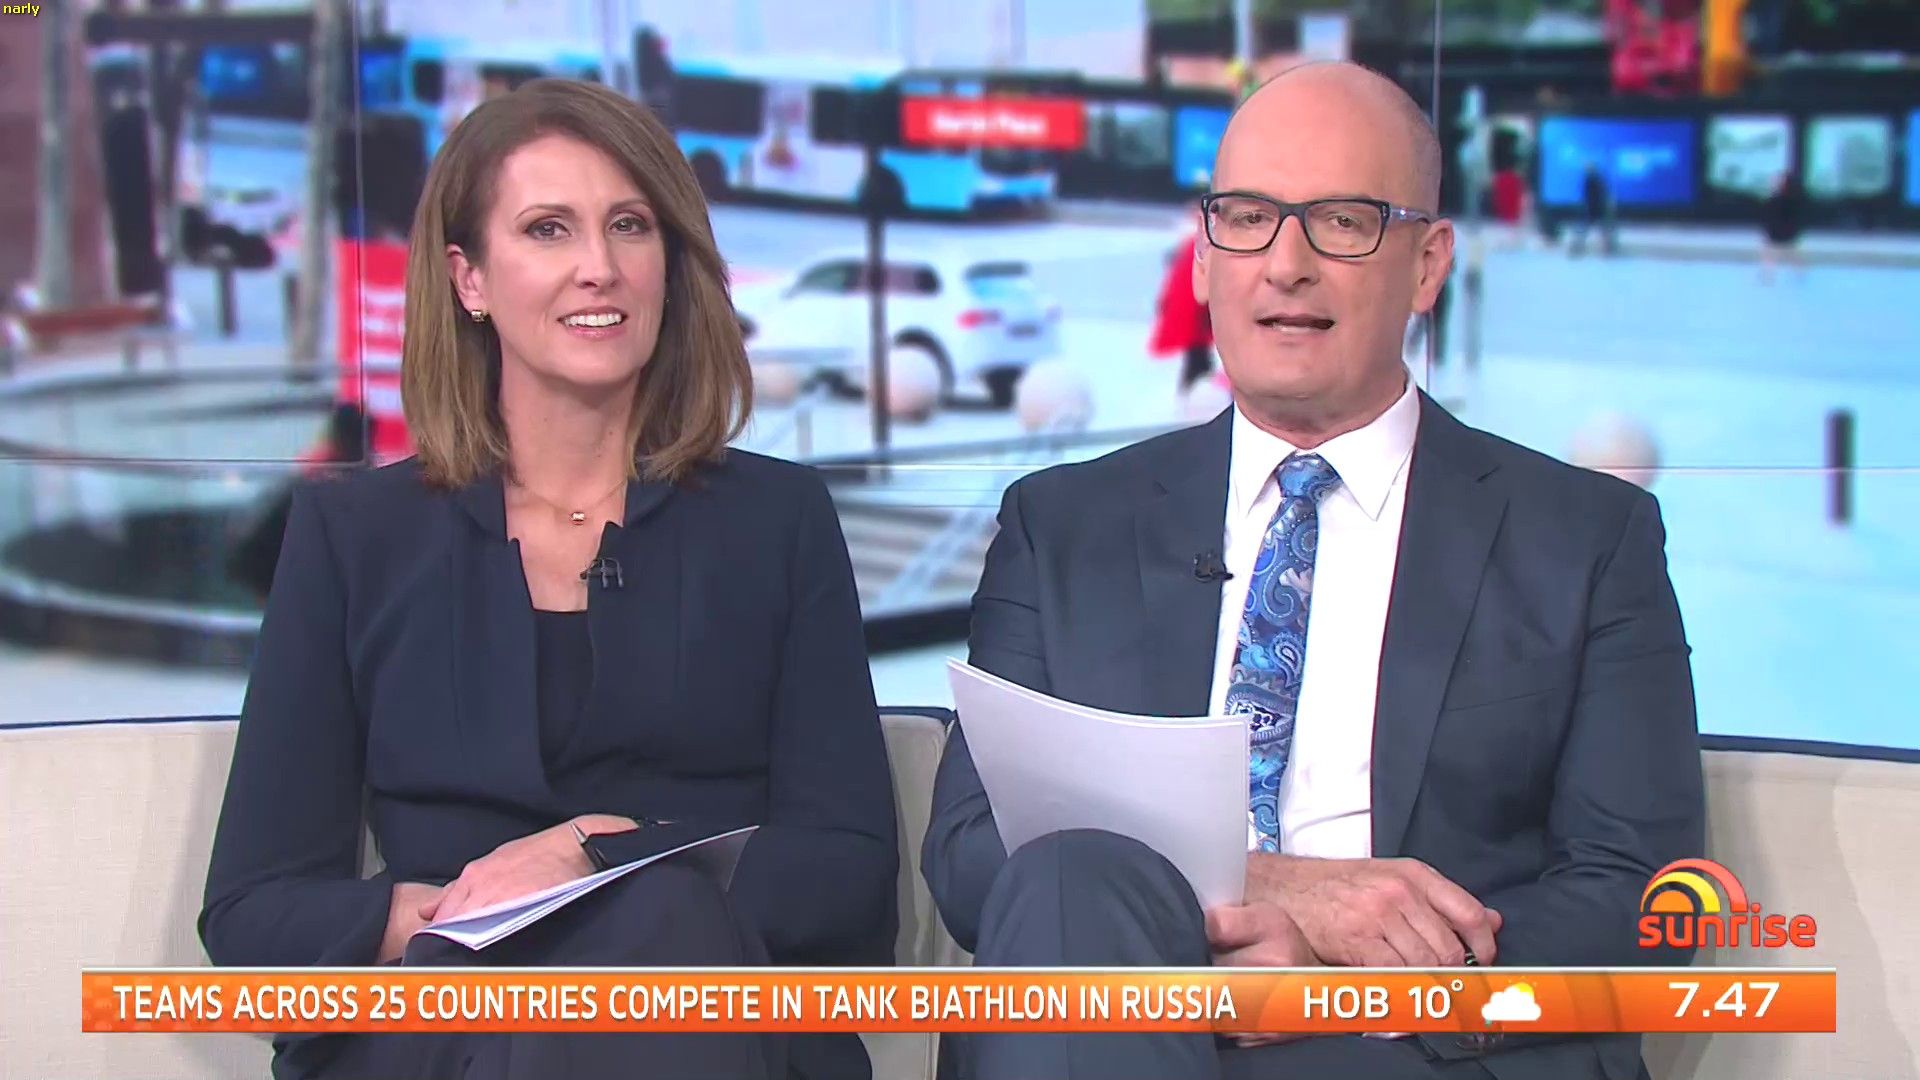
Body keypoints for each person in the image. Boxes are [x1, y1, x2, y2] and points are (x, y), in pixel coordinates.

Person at [922, 62, 1703, 1080]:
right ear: (1204, 259)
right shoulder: (1061, 525)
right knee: (1070, 879)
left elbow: (1645, 899)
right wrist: (1270, 889)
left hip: (1406, 1046)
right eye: (1248, 218)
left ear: (1427, 265)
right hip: (1116, 1014)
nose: (1284, 265)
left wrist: (1352, 980)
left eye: (1341, 222)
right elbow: (971, 853)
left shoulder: (1585, 538)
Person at [200, 78, 899, 1080]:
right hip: (448, 1024)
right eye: (547, 229)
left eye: (629, 225)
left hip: (710, 1008)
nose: (598, 267)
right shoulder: (354, 537)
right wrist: (449, 920)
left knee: (662, 923)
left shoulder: (776, 523)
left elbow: (852, 880)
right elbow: (252, 912)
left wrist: (599, 854)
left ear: (671, 266)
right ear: (470, 281)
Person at [1151, 201, 1217, 396]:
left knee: (1196, 356)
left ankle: (1193, 391)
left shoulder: (1192, 246)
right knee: (1197, 357)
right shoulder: (1197, 246)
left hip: (1194, 312)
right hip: (1195, 313)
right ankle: (1194, 393)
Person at [1759, 169, 1806, 284]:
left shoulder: (1785, 200)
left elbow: (1770, 216)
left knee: (1779, 253)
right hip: (1780, 232)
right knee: (1778, 253)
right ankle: (1768, 275)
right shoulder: (1779, 199)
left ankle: (1768, 276)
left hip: (1781, 232)